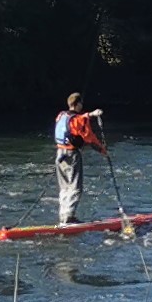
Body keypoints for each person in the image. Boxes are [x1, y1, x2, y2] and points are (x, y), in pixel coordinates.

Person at [50, 93, 107, 223]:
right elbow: (90, 138)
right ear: (78, 104)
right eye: (81, 103)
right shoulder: (78, 120)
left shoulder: (60, 116)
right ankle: (69, 217)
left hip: (60, 154)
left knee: (64, 187)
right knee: (75, 187)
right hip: (71, 155)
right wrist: (102, 150)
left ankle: (63, 215)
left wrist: (90, 115)